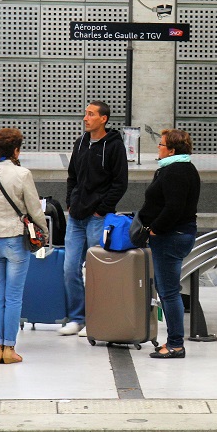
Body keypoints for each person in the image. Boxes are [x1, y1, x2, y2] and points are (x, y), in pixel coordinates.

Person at [0, 128, 47, 364]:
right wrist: (42, 231)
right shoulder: (22, 174)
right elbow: (34, 209)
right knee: (13, 297)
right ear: (16, 150)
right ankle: (9, 349)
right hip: (15, 240)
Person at [60, 100, 129, 336]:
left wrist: (102, 209)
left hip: (98, 218)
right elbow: (72, 176)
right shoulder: (80, 143)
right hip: (76, 217)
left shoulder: (114, 146)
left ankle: (96, 319)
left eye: (90, 114)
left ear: (103, 119)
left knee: (96, 270)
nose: (85, 118)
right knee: (70, 268)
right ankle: (77, 318)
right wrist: (70, 202)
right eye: (85, 114)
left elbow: (120, 183)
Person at [137, 129, 201, 359]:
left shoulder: (176, 171)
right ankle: (174, 341)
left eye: (161, 144)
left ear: (172, 150)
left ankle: (175, 344)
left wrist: (155, 229)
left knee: (169, 292)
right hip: (175, 234)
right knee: (168, 291)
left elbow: (174, 208)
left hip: (171, 236)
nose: (159, 147)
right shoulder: (180, 168)